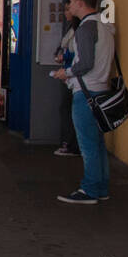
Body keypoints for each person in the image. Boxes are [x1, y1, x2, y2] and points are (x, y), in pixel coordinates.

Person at [52, 0, 114, 204]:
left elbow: (85, 63)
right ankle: (101, 187)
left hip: (86, 92)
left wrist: (65, 72)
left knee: (87, 145)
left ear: (80, 2)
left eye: (71, 0)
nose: (69, 5)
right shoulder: (104, 26)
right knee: (97, 143)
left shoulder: (85, 29)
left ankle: (89, 190)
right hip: (101, 90)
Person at [53, 16, 81, 157]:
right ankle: (71, 143)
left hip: (77, 81)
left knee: (69, 110)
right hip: (71, 78)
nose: (65, 13)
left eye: (68, 8)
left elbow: (84, 61)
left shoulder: (82, 29)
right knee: (67, 109)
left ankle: (73, 145)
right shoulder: (72, 28)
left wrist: (68, 70)